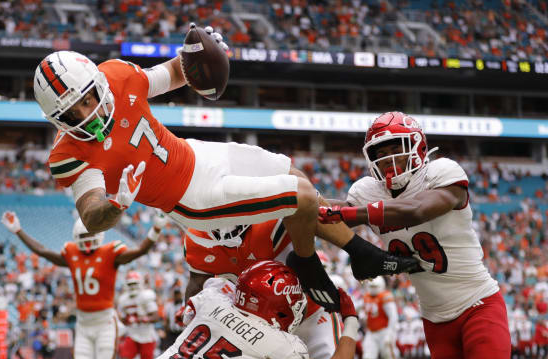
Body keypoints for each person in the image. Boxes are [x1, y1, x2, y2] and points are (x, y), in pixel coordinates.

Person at [34, 28, 418, 290]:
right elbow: (91, 212)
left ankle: (365, 253)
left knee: (296, 175)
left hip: (198, 153)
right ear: (57, 119)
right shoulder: (67, 153)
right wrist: (115, 205)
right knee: (299, 195)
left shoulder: (116, 75)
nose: (88, 112)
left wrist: (199, 56)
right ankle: (316, 262)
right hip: (191, 199)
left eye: (87, 97)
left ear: (96, 82)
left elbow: (175, 73)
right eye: (73, 111)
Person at [319, 111, 522, 359]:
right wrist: (305, 201)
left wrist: (350, 214)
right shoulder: (367, 191)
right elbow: (331, 214)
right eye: (381, 153)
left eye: (395, 150)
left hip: (478, 303)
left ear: (417, 148)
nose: (388, 160)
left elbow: (417, 209)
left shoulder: (441, 173)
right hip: (434, 318)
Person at [94, 260, 359, 359]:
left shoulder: (211, 302)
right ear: (282, 307)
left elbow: (189, 309)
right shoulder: (275, 344)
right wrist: (350, 321)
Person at [181, 221, 356, 359]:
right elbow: (197, 283)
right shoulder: (197, 236)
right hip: (257, 328)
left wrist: (358, 244)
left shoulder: (274, 220)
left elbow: (315, 210)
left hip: (310, 315)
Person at [1, 210, 167, 359]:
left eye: (90, 235)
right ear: (76, 237)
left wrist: (156, 228)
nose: (87, 240)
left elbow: (141, 250)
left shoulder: (109, 253)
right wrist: (18, 230)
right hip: (83, 324)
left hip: (105, 322)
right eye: (83, 236)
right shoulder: (72, 253)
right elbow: (43, 251)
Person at [359, 276, 414, 359]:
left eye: (375, 286)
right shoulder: (367, 296)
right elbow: (363, 309)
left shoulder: (385, 296)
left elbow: (393, 317)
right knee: (367, 358)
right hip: (371, 332)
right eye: (371, 286)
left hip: (384, 331)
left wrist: (390, 334)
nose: (373, 289)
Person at [116, 271, 160, 359]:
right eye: (130, 284)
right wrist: (126, 320)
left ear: (140, 283)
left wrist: (142, 319)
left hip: (147, 336)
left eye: (134, 283)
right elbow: (124, 319)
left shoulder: (146, 295)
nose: (132, 286)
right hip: (132, 334)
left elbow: (155, 316)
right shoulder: (123, 299)